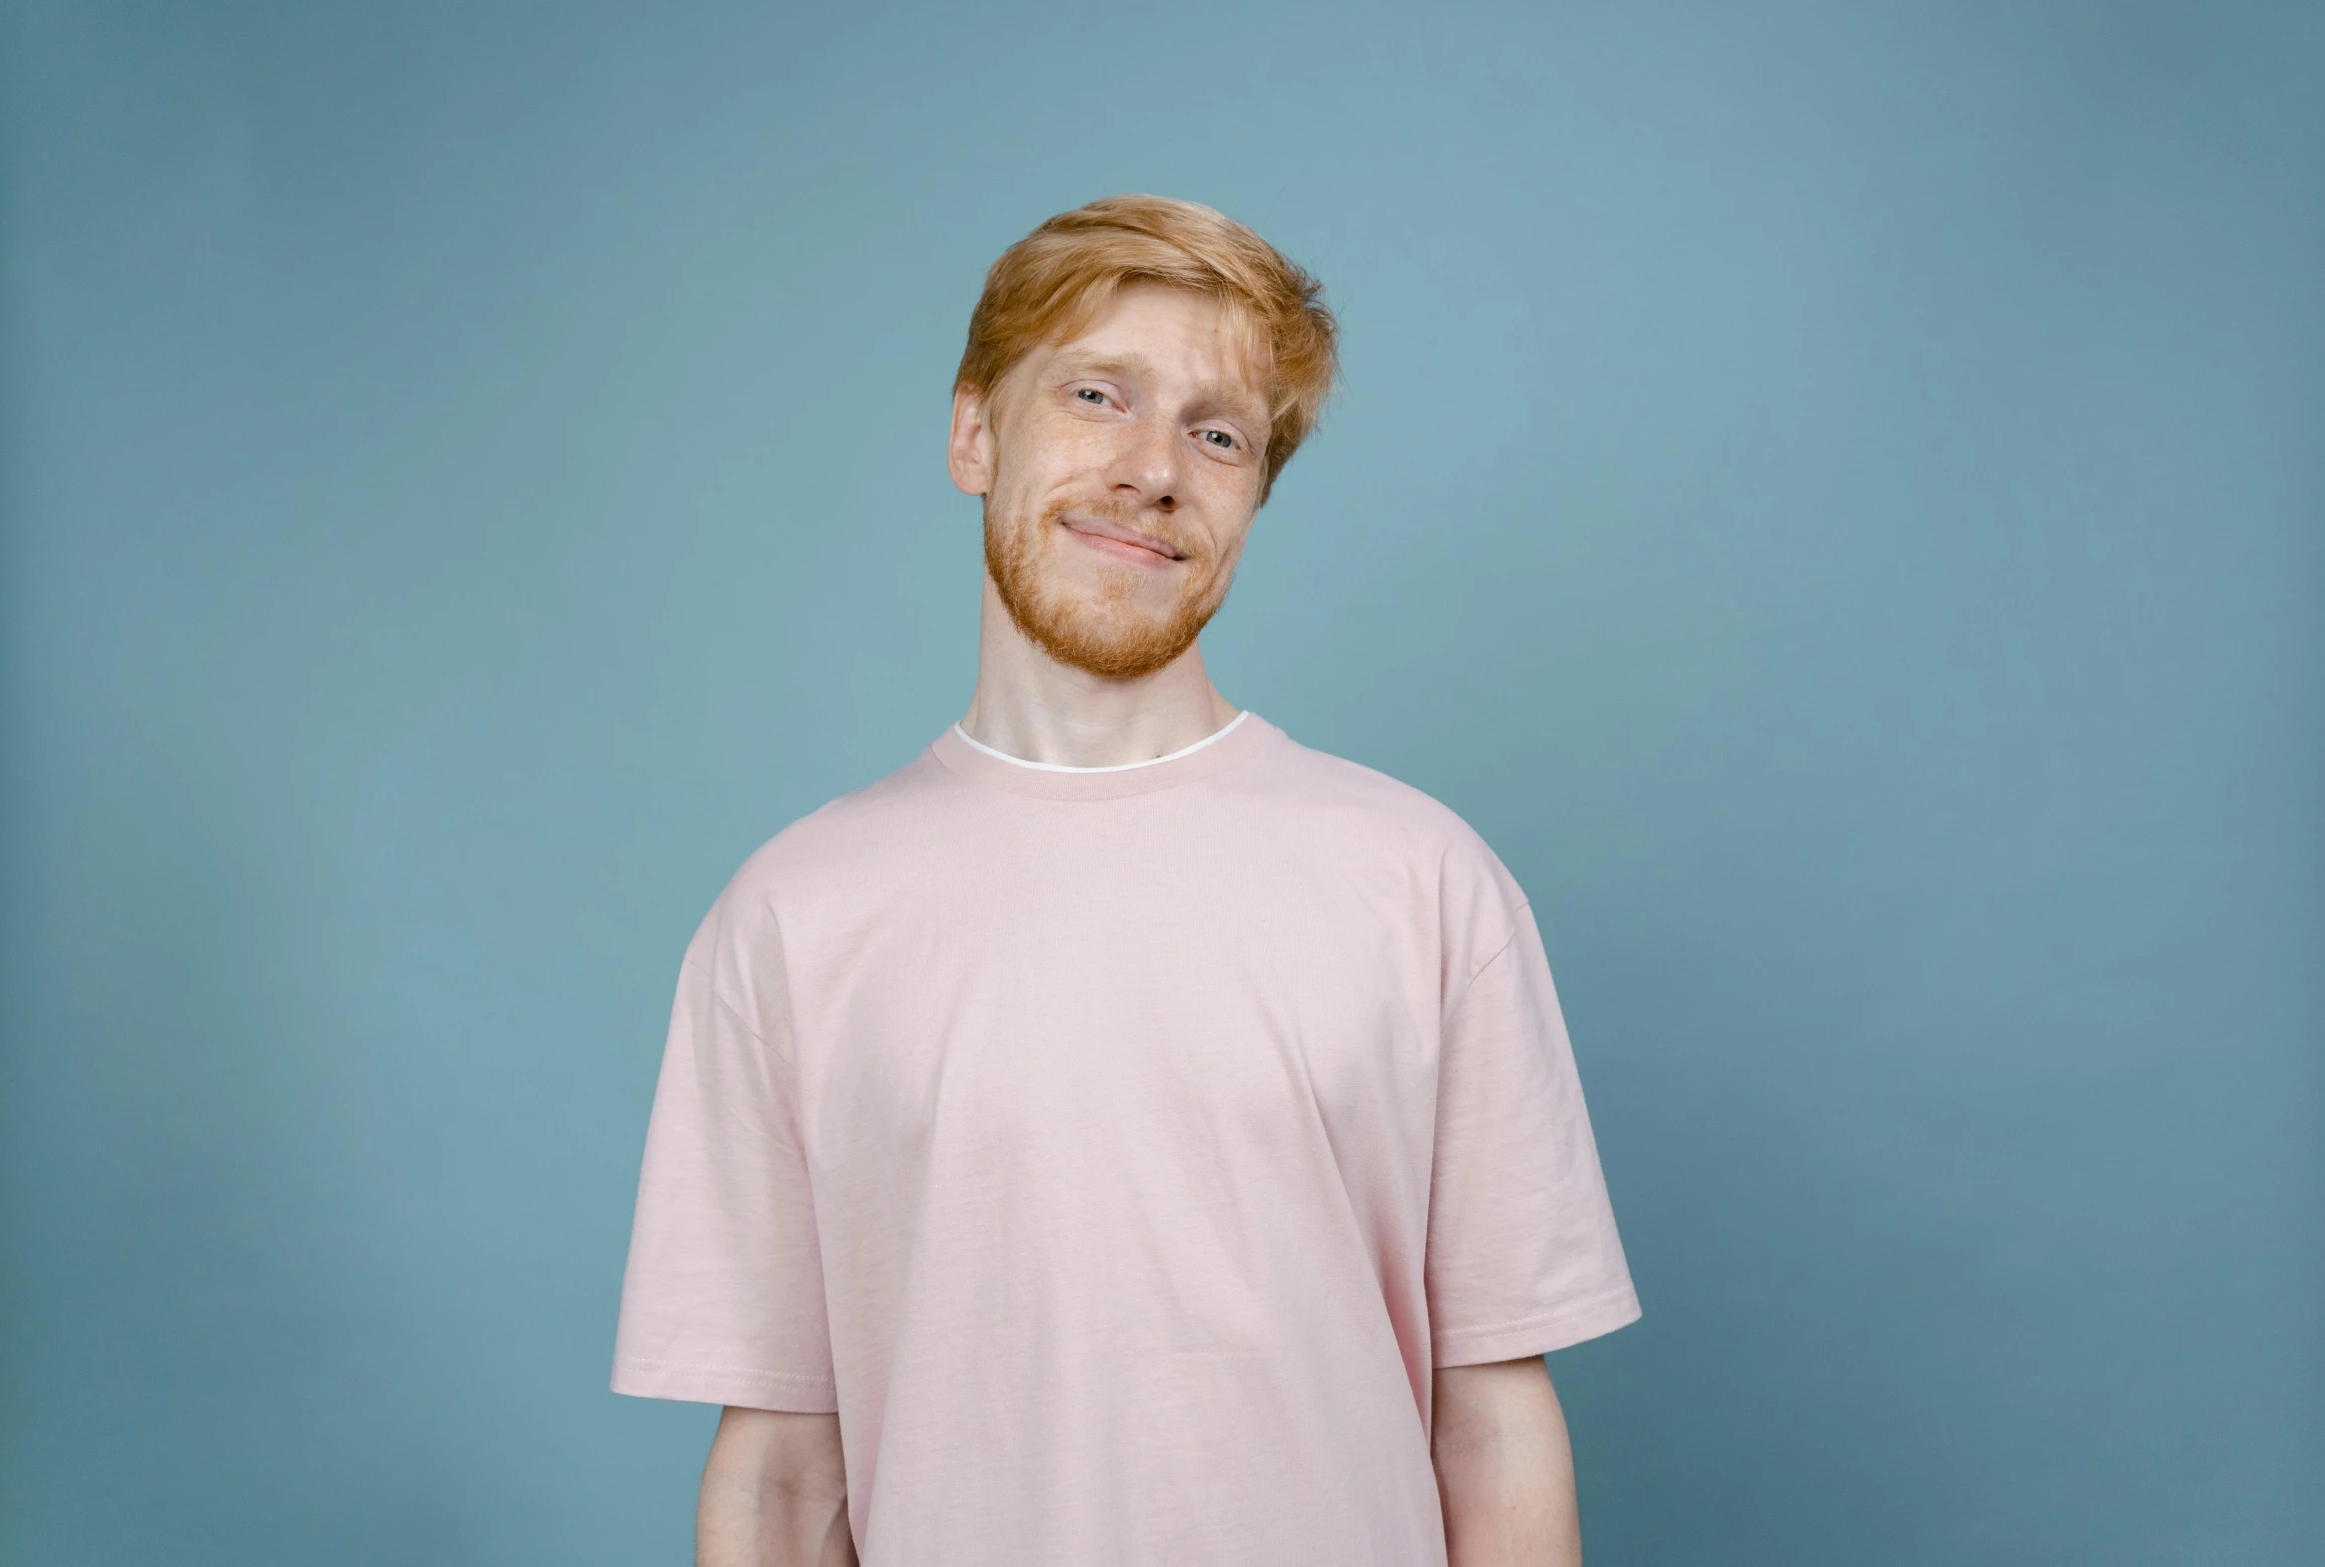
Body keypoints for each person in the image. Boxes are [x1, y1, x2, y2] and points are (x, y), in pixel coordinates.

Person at [611, 195, 1641, 1567]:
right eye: (1099, 394)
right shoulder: (792, 915)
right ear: (974, 431)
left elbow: (1493, 1418)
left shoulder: (1422, 880)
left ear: (1250, 495)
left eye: (1217, 433)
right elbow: (786, 1469)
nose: (1154, 469)